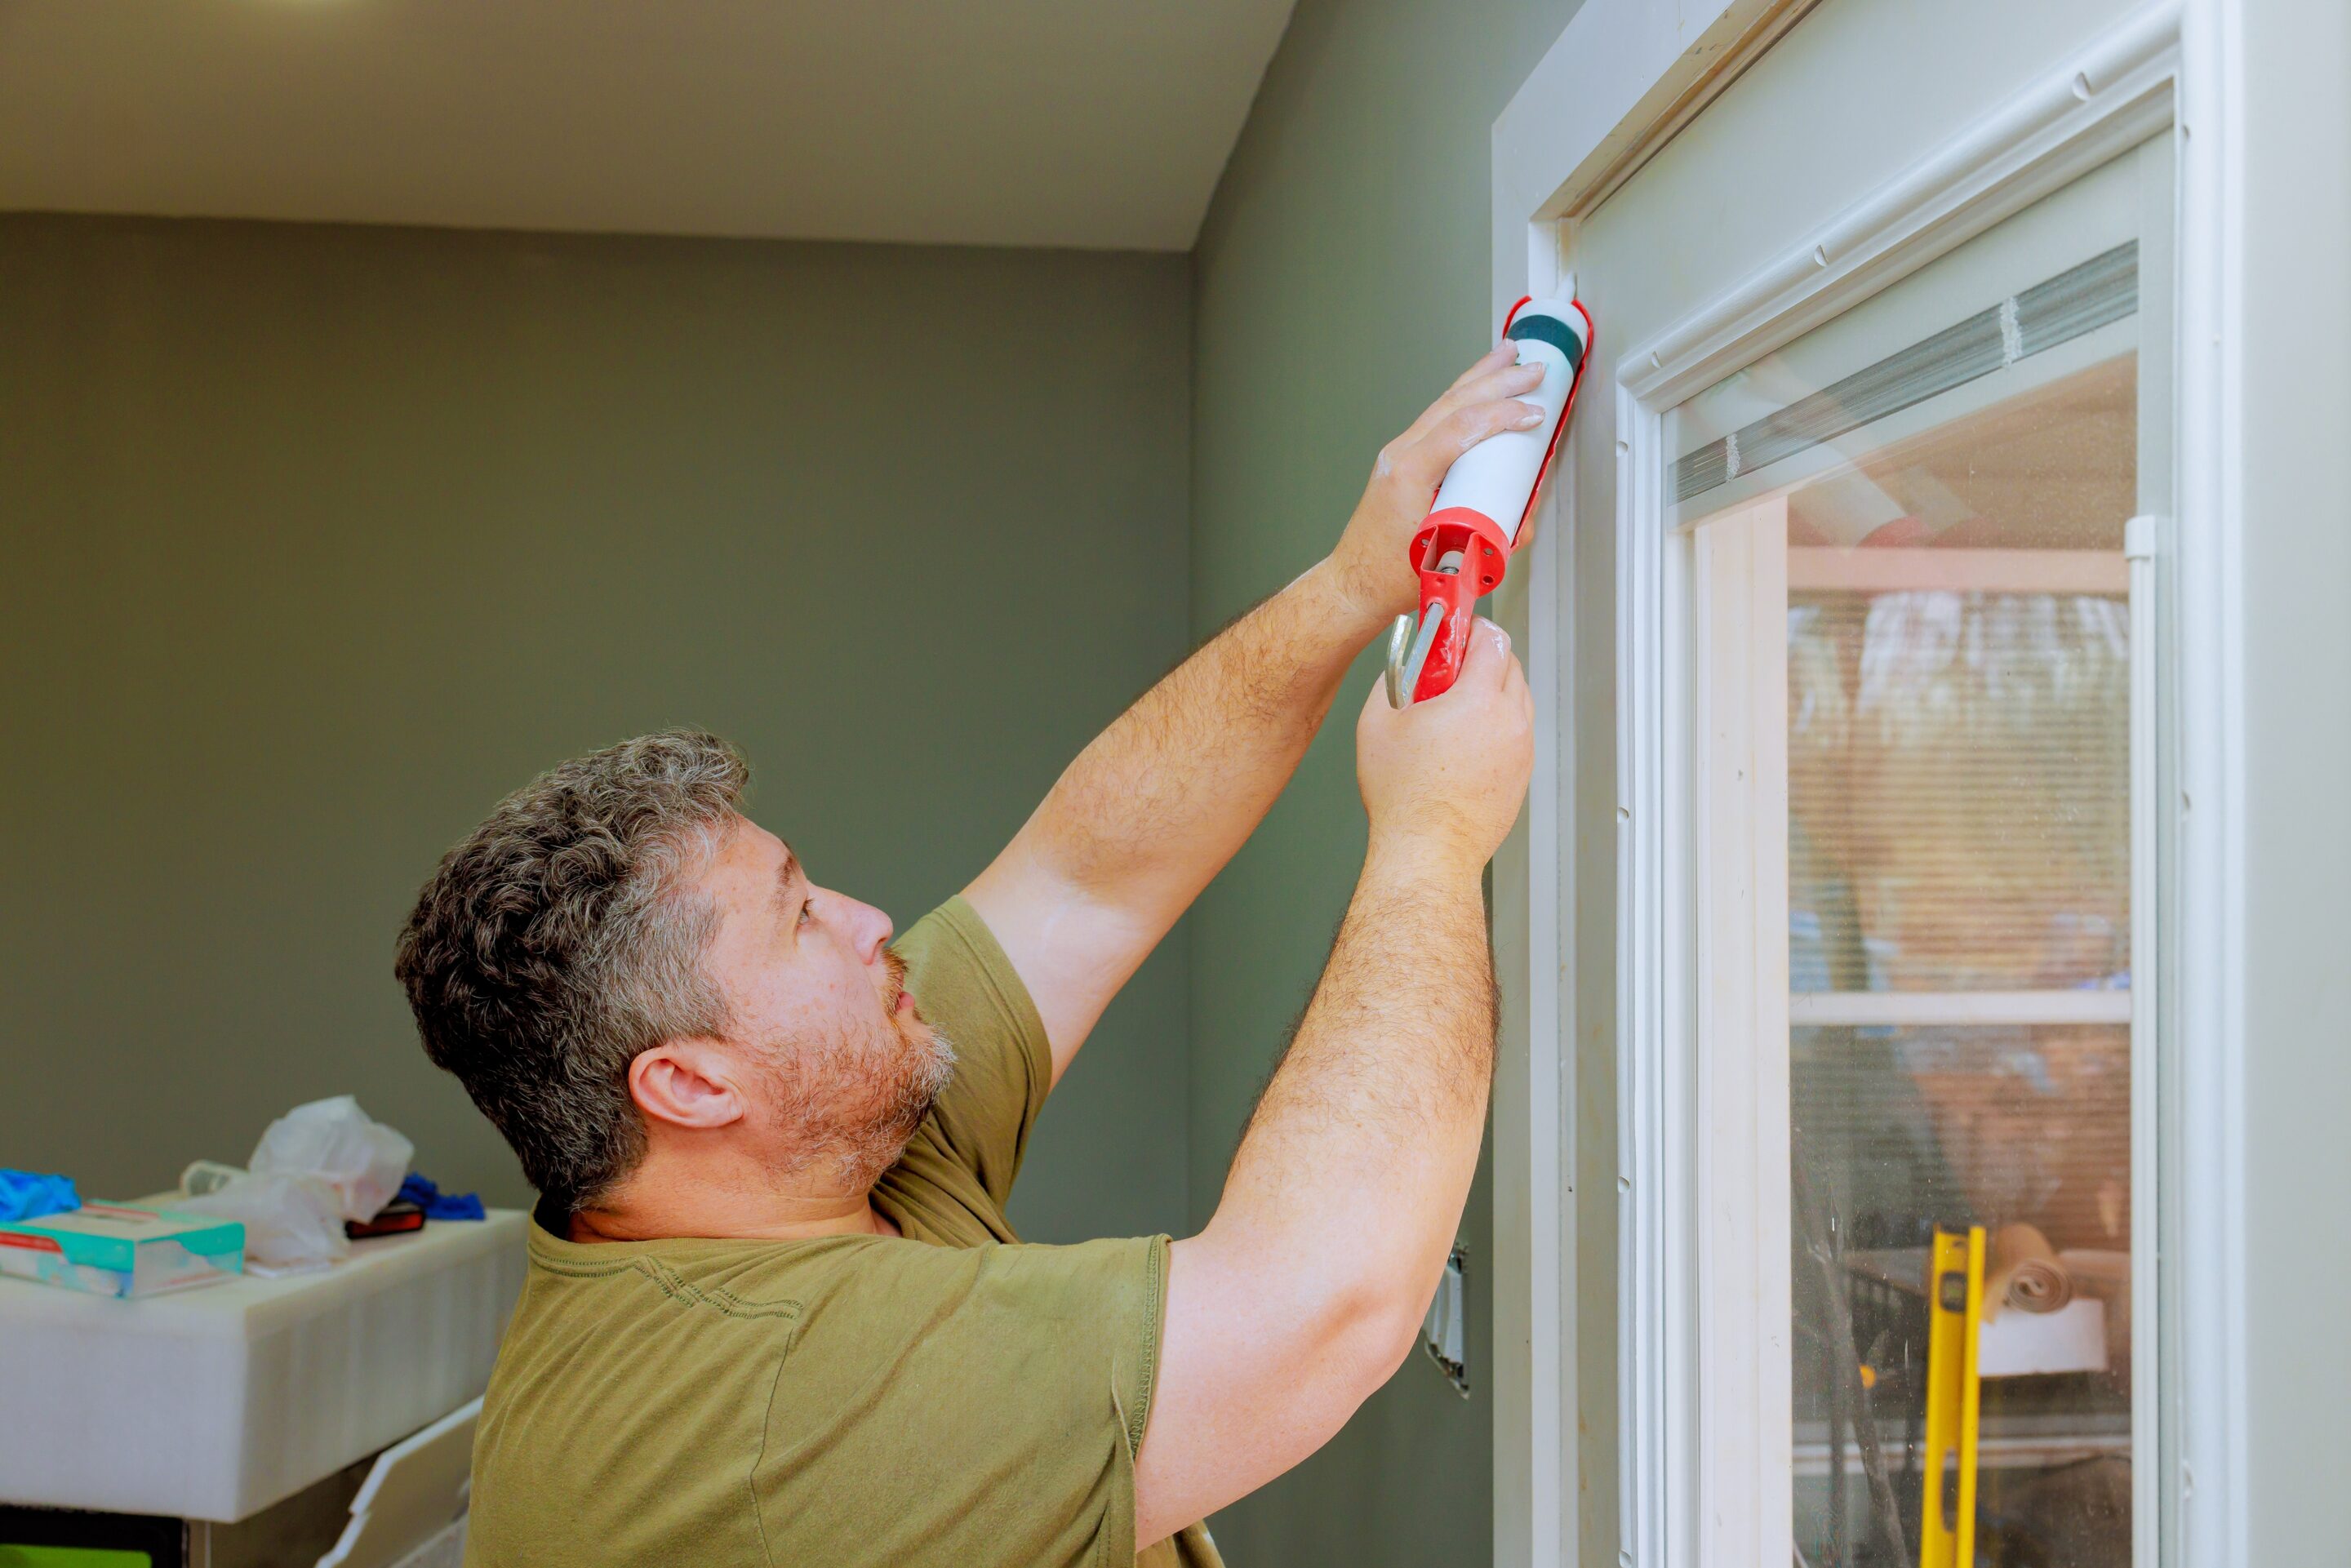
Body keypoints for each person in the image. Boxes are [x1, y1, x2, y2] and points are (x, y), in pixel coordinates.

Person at [393, 345, 1545, 1567]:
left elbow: (1084, 878)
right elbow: (1319, 1307)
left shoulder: (804, 1137)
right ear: (690, 1082)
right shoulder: (772, 1414)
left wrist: (1354, 582)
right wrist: (1434, 833)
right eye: (796, 917)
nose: (867, 918)